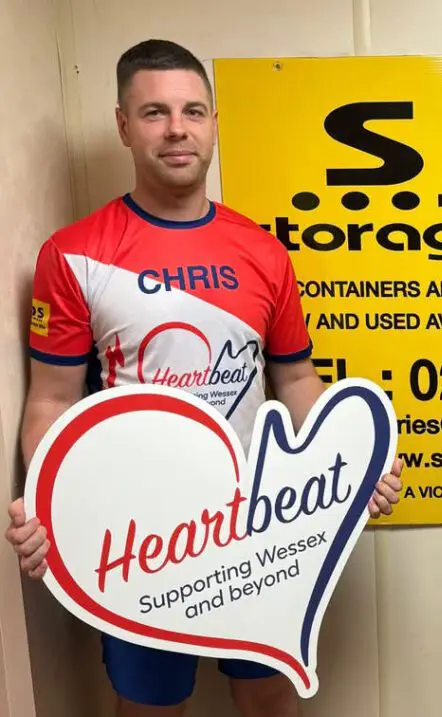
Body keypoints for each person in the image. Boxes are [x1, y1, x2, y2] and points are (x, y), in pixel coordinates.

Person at [3, 39, 403, 717]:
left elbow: (296, 379)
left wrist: (350, 461)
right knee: (152, 707)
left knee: (268, 694)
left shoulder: (262, 251)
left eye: (193, 110)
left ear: (214, 121)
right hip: (137, 537)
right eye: (154, 112)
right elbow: (50, 400)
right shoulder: (73, 253)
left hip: (257, 521)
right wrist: (47, 501)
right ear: (124, 124)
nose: (177, 128)